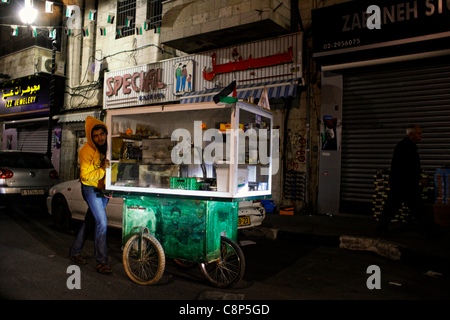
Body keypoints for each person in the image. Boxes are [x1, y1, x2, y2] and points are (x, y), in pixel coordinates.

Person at [69, 116, 112, 274]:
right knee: (102, 223)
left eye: (102, 134)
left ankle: (75, 251)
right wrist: (103, 170)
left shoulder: (108, 146)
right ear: (90, 137)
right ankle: (101, 262)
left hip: (104, 190)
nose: (100, 138)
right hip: (90, 189)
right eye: (96, 135)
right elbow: (85, 177)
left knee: (90, 221)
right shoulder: (85, 151)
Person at [377, 125, 437, 239]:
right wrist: (419, 178)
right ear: (411, 134)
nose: (421, 136)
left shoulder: (408, 146)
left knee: (416, 207)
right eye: (419, 133)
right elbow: (407, 166)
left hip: (406, 184)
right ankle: (381, 228)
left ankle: (432, 228)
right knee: (394, 207)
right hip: (402, 184)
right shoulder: (404, 147)